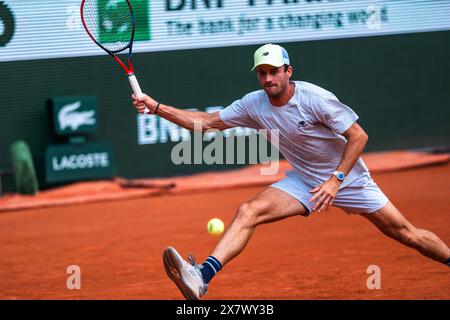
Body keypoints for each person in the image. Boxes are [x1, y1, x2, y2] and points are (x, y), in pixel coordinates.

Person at [132, 43, 450, 300]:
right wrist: (156, 107)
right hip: (304, 181)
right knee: (249, 210)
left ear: (288, 71)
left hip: (348, 180)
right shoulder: (253, 104)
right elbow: (204, 123)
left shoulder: (315, 99)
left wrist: (335, 180)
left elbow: (359, 136)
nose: (268, 79)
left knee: (406, 234)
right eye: (262, 73)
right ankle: (201, 276)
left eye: (274, 72)